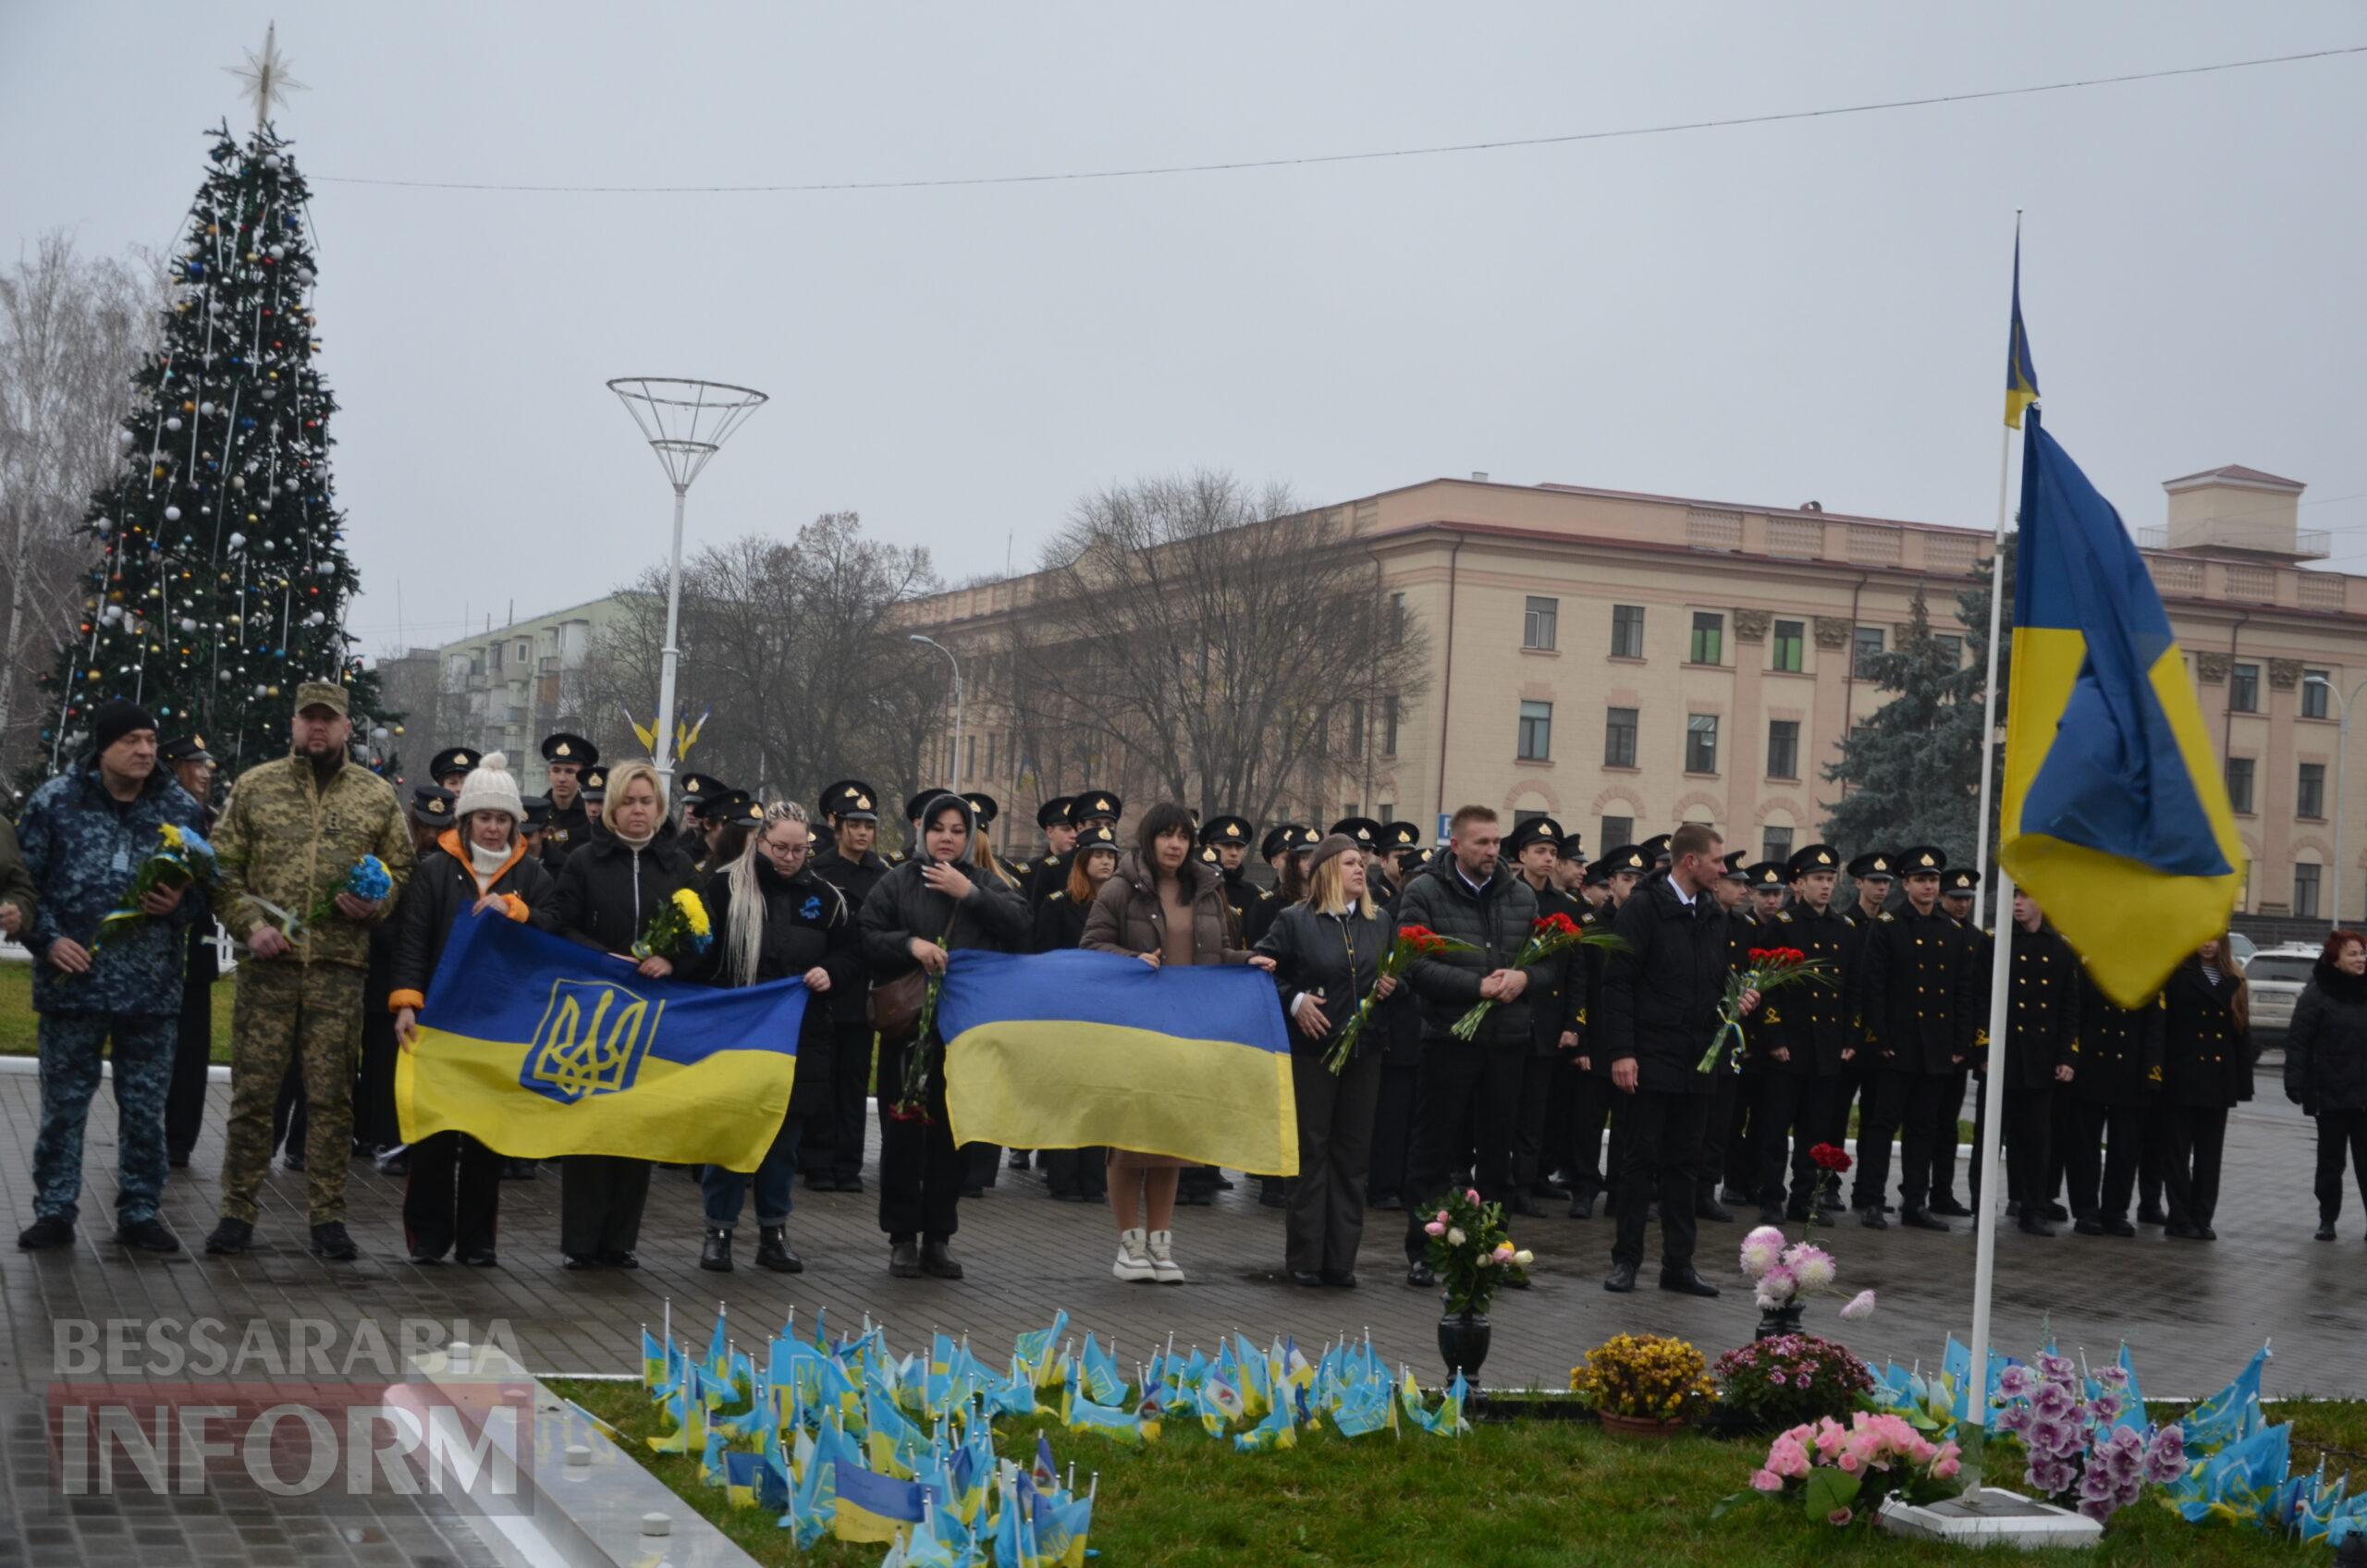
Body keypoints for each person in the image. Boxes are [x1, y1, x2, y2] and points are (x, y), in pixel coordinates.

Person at [203, 684, 412, 1262]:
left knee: (332, 1100)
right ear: (293, 724)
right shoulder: (255, 787)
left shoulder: (374, 796)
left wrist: (378, 903)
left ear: (348, 728)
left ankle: (328, 1216)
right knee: (253, 1096)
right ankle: (236, 1210)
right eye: (308, 719)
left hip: (338, 973)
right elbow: (222, 867)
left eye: (330, 720)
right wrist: (249, 926)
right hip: (269, 972)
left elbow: (401, 866)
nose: (318, 729)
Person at [14, 700, 204, 1253]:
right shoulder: (55, 803)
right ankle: (54, 1210)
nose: (146, 750)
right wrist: (48, 941)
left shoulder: (179, 810)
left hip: (150, 991)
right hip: (73, 986)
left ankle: (141, 1212)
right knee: (63, 1108)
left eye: (150, 739)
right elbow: (23, 888)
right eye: (132, 741)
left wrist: (180, 904)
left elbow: (205, 894)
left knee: (146, 1111)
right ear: (103, 748)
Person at [1084, 801, 1267, 1282]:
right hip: (1136, 1030)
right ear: (1149, 839)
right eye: (1166, 835)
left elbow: (1214, 952)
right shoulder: (1123, 889)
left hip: (1188, 1030)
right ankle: (1129, 1246)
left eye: (1183, 836)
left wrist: (1245, 961)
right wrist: (1130, 959)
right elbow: (1091, 947)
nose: (1175, 844)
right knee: (1128, 1142)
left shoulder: (1207, 890)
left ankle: (1161, 1246)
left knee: (1170, 1139)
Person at [387, 753, 554, 1265]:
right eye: (484, 816)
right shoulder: (433, 872)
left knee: (487, 1137)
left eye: (502, 818)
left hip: (499, 1028)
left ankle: (479, 1240)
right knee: (435, 1137)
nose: (493, 827)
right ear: (466, 819)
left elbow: (553, 930)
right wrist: (407, 1003)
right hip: (438, 1023)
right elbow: (413, 940)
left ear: (513, 823)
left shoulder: (532, 876)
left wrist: (518, 910)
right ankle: (429, 1236)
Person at [859, 792, 1030, 1279]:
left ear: (971, 836)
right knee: (903, 1134)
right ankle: (901, 1238)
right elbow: (867, 934)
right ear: (923, 833)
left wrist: (969, 894)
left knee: (951, 1139)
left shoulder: (985, 883)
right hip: (910, 1031)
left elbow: (1022, 927)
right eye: (939, 829)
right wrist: (910, 945)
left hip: (964, 1032)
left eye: (958, 830)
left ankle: (938, 1237)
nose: (948, 839)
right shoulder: (898, 882)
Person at [543, 758, 700, 1268]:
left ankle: (620, 1240)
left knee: (636, 1124)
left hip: (652, 1015)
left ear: (659, 808)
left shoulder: (677, 866)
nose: (638, 810)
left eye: (647, 801)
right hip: (595, 1008)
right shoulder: (585, 862)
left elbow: (702, 935)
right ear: (611, 807)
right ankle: (580, 1242)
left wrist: (670, 957)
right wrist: (600, 956)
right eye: (629, 801)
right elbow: (560, 927)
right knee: (592, 1124)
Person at [693, 802, 860, 1273]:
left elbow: (852, 955)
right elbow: (703, 958)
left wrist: (831, 972)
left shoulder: (828, 899)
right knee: (731, 1136)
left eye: (799, 849)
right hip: (739, 1036)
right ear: (760, 842)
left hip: (800, 1039)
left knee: (784, 1144)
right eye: (780, 848)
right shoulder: (726, 888)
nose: (789, 857)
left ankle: (774, 1233)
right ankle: (718, 1232)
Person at [1395, 805, 1550, 1287]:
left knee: (1498, 1153)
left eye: (1496, 842)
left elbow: (1551, 965)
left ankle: (1492, 1250)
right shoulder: (1424, 891)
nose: (1492, 851)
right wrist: (1476, 986)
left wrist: (1524, 977)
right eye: (1481, 843)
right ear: (1456, 845)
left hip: (1506, 1042)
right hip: (1449, 1038)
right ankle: (1426, 1251)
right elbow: (1413, 964)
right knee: (1433, 1152)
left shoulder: (1521, 896)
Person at [1598, 823, 1753, 1297]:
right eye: (1717, 861)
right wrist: (1622, 1052)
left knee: (1685, 1166)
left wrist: (1736, 1000)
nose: (1724, 870)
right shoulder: (1645, 908)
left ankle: (1678, 1265)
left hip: (1697, 1060)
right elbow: (1617, 983)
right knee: (1639, 1162)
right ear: (1690, 862)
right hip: (1649, 1057)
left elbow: (1711, 977)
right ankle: (1626, 1260)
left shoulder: (1711, 911)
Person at [1256, 832, 1393, 1287]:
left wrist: (1395, 987)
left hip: (1363, 1052)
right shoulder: (1295, 920)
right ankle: (1306, 1259)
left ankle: (1341, 1261)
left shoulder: (1379, 921)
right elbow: (1259, 973)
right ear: (1328, 870)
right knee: (1312, 1153)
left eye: (1363, 863)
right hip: (1313, 1054)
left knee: (1352, 1157)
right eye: (1351, 862)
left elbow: (1396, 977)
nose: (1361, 869)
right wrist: (1294, 1000)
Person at [1851, 846, 1979, 1232]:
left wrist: (1961, 1044)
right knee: (1882, 1123)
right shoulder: (1888, 925)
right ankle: (1872, 1199)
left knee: (1924, 1127)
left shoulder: (1951, 931)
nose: (1927, 885)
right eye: (1921, 879)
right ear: (1906, 884)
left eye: (1933, 880)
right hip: (1897, 1045)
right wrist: (1880, 1038)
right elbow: (1872, 987)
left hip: (1936, 1048)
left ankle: (1915, 1202)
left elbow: (1963, 991)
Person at [1756, 845, 1852, 1224]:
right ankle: (1770, 1198)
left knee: (1816, 1131)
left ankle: (1804, 1200)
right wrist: (1774, 1037)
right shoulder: (1781, 925)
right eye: (1818, 879)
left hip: (1825, 1047)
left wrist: (1848, 1039)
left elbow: (1851, 988)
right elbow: (1765, 987)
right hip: (1789, 1046)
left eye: (1830, 879)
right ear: (1799, 883)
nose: (1825, 886)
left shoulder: (1843, 928)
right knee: (1775, 1129)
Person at [1031, 824, 1119, 1203]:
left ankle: (1093, 1178)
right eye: (1097, 855)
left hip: (1105, 1014)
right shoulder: (1057, 904)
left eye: (1110, 855)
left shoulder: (1120, 907)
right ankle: (1063, 1177)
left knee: (1099, 1094)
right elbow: (1042, 959)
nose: (1105, 861)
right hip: (1065, 1011)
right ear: (1082, 861)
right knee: (1067, 1094)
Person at [808, 779, 888, 1193]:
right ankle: (819, 1164)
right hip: (825, 989)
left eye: (868, 826)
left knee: (854, 1082)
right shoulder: (818, 871)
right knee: (823, 1080)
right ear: (837, 826)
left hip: (863, 994)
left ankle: (847, 1165)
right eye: (854, 825)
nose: (862, 833)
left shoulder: (884, 875)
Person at [1504, 817, 1582, 1219]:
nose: (1549, 859)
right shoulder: (1507, 898)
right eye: (1540, 851)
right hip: (1511, 1017)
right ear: (1521, 856)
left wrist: (1573, 1023)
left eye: (1553, 852)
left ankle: (1527, 1181)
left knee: (1537, 1110)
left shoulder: (1567, 907)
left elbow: (1574, 972)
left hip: (1548, 1022)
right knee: (1506, 1108)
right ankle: (1503, 1182)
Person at [1564, 845, 1649, 1219]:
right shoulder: (1592, 926)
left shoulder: (1650, 926)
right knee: (1588, 1120)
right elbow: (1579, 984)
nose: (1632, 887)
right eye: (1626, 879)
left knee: (1630, 1123)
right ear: (1611, 882)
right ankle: (1584, 1189)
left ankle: (1620, 1193)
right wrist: (1580, 1039)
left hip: (1632, 1041)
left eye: (1638, 880)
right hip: (1596, 1039)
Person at [1994, 889, 2079, 1236]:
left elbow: (2069, 1006)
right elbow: (1982, 995)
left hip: (2041, 1058)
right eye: (2014, 897)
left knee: (2037, 1137)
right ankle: (1992, 1204)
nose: (2018, 903)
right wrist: (1985, 1050)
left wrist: (2067, 1055)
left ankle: (2034, 1206)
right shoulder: (1999, 943)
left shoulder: (2059, 948)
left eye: (2026, 897)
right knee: (1998, 1135)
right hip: (2006, 1056)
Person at [2155, 935, 2250, 1241]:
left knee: (2209, 1157)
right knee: (2178, 1154)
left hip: (2217, 1079)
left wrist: (2241, 1083)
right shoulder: (2178, 975)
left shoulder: (2234, 979)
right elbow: (2164, 1028)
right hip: (2183, 1075)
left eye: (2214, 939)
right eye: (2201, 938)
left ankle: (2203, 1216)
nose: (2207, 944)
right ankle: (2180, 1217)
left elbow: (2241, 1033)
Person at [2284, 928, 2367, 1243]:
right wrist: (2294, 1082)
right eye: (2353, 954)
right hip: (2329, 1093)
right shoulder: (2317, 993)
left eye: (2362, 953)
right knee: (2331, 1162)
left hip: (2364, 1095)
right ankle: (2327, 1219)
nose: (2361, 960)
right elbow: (2298, 1042)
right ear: (2335, 960)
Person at [2066, 961, 2160, 1237]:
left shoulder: (2147, 974)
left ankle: (2115, 1210)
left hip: (2130, 1071)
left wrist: (2152, 1073)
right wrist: (2071, 1058)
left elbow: (2155, 1025)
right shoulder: (2088, 968)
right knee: (2084, 1147)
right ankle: (2086, 1210)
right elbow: (2075, 1015)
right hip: (2091, 1068)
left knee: (2126, 1148)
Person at [160, 733, 219, 1171]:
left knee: (193, 1051)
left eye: (207, 766)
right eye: (195, 765)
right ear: (175, 766)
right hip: (156, 949)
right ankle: (149, 1133)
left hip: (194, 954)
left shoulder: (209, 818)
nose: (204, 774)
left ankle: (181, 1140)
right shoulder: (156, 811)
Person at [537, 731, 597, 867]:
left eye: (570, 772)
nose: (562, 779)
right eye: (556, 770)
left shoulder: (591, 816)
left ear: (581, 776)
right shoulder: (537, 814)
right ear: (549, 774)